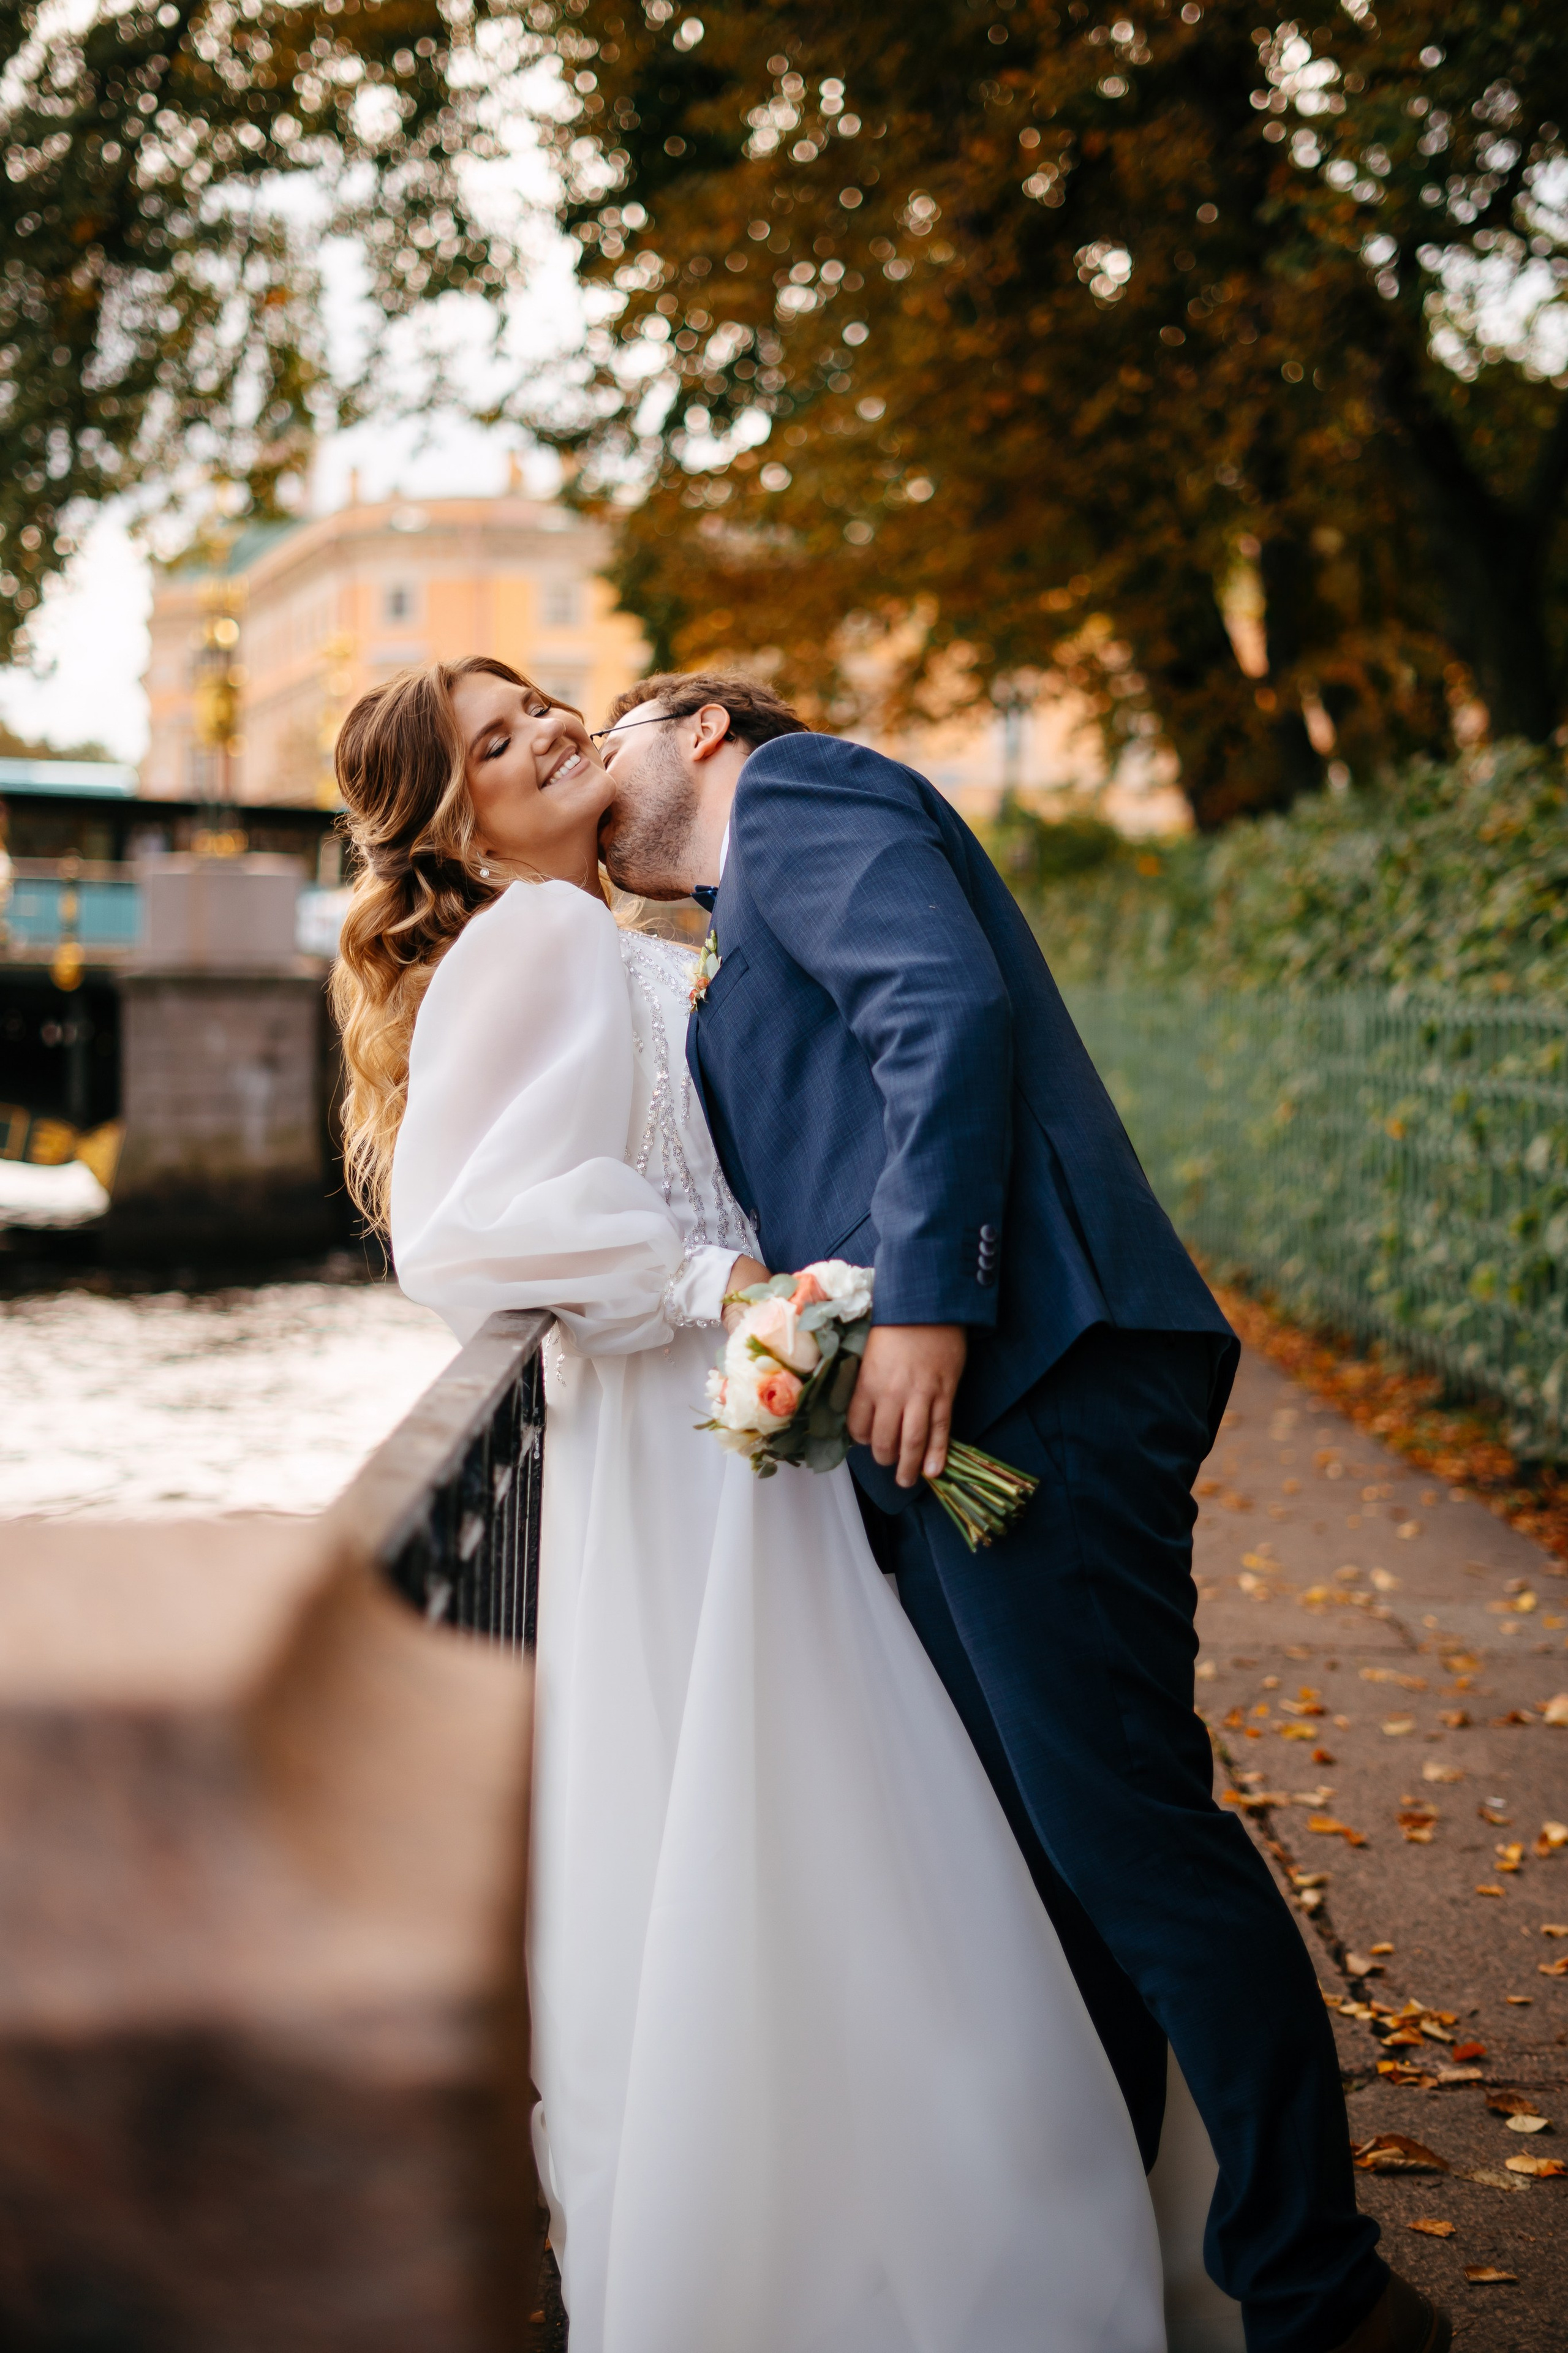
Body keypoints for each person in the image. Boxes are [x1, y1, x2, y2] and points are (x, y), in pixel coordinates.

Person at [595, 670, 1452, 2353]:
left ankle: (1325, 2294)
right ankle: (1126, 2270)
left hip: (1036, 1365)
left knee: (1131, 1840)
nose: (583, 757)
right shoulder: (726, 917)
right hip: (951, 1423)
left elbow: (942, 1010)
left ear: (700, 725)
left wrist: (924, 1301)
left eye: (602, 726)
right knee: (1048, 1872)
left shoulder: (801, 793)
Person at [328, 655, 1170, 2353]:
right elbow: (462, 1230)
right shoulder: (545, 936)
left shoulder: (632, 938)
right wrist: (732, 1286)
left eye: (541, 704)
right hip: (684, 1435)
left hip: (721, 1441)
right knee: (808, 1818)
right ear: (461, 826)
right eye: (494, 745)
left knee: (803, 1822)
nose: (548, 734)